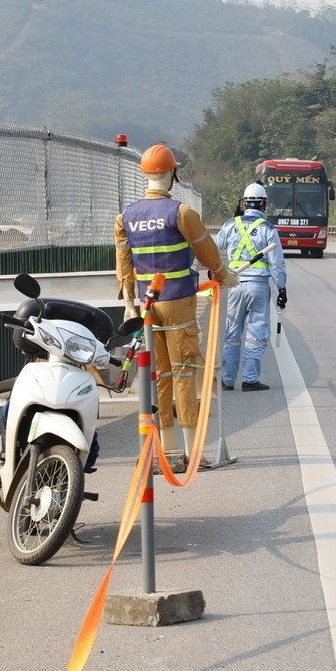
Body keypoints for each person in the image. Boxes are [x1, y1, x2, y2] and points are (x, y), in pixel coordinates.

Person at [115, 143, 239, 473]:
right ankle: (191, 452)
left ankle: (166, 451)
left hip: (146, 305)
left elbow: (124, 267)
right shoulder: (181, 213)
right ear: (171, 174)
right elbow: (207, 252)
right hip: (178, 303)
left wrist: (129, 304)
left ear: (145, 174)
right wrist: (224, 275)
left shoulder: (125, 217)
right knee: (185, 373)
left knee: (161, 376)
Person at [214, 183, 287, 391]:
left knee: (232, 333)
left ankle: (227, 380)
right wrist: (282, 289)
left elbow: (218, 244)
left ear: (244, 203)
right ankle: (250, 379)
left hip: (235, 283)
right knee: (256, 333)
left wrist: (234, 219)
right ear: (264, 205)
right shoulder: (268, 229)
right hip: (258, 286)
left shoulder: (230, 224)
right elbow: (276, 264)